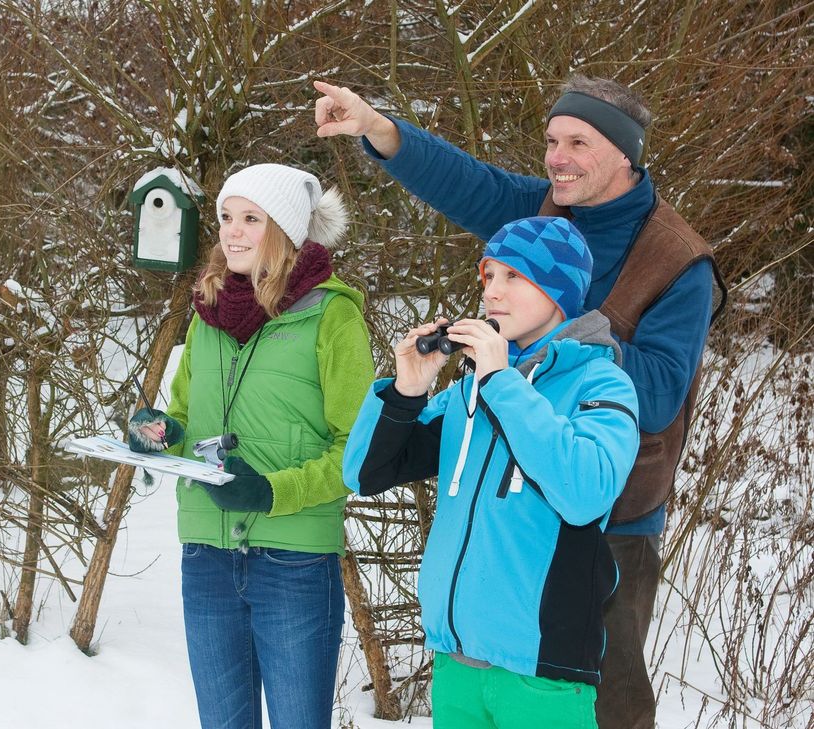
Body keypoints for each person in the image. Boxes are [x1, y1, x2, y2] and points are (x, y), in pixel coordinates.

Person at [315, 75, 726, 728]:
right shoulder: (541, 212)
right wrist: (378, 128)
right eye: (551, 140)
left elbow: (659, 393)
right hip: (503, 534)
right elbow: (464, 181)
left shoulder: (679, 262)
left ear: (625, 154)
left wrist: (551, 346)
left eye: (576, 142)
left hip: (612, 520)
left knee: (607, 701)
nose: (555, 157)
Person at [343, 215, 640, 728]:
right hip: (456, 665)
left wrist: (502, 381)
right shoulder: (469, 393)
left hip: (542, 675)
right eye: (488, 277)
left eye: (514, 277)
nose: (493, 293)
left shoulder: (602, 384)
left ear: (558, 290)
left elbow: (586, 491)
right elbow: (366, 474)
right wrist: (407, 389)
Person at [127, 163, 375, 729]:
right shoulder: (206, 314)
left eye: (250, 220)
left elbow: (356, 450)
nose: (232, 232)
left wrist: (271, 493)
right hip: (206, 553)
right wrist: (162, 431)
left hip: (293, 559)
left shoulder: (331, 315)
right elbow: (186, 416)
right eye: (226, 218)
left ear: (285, 230)